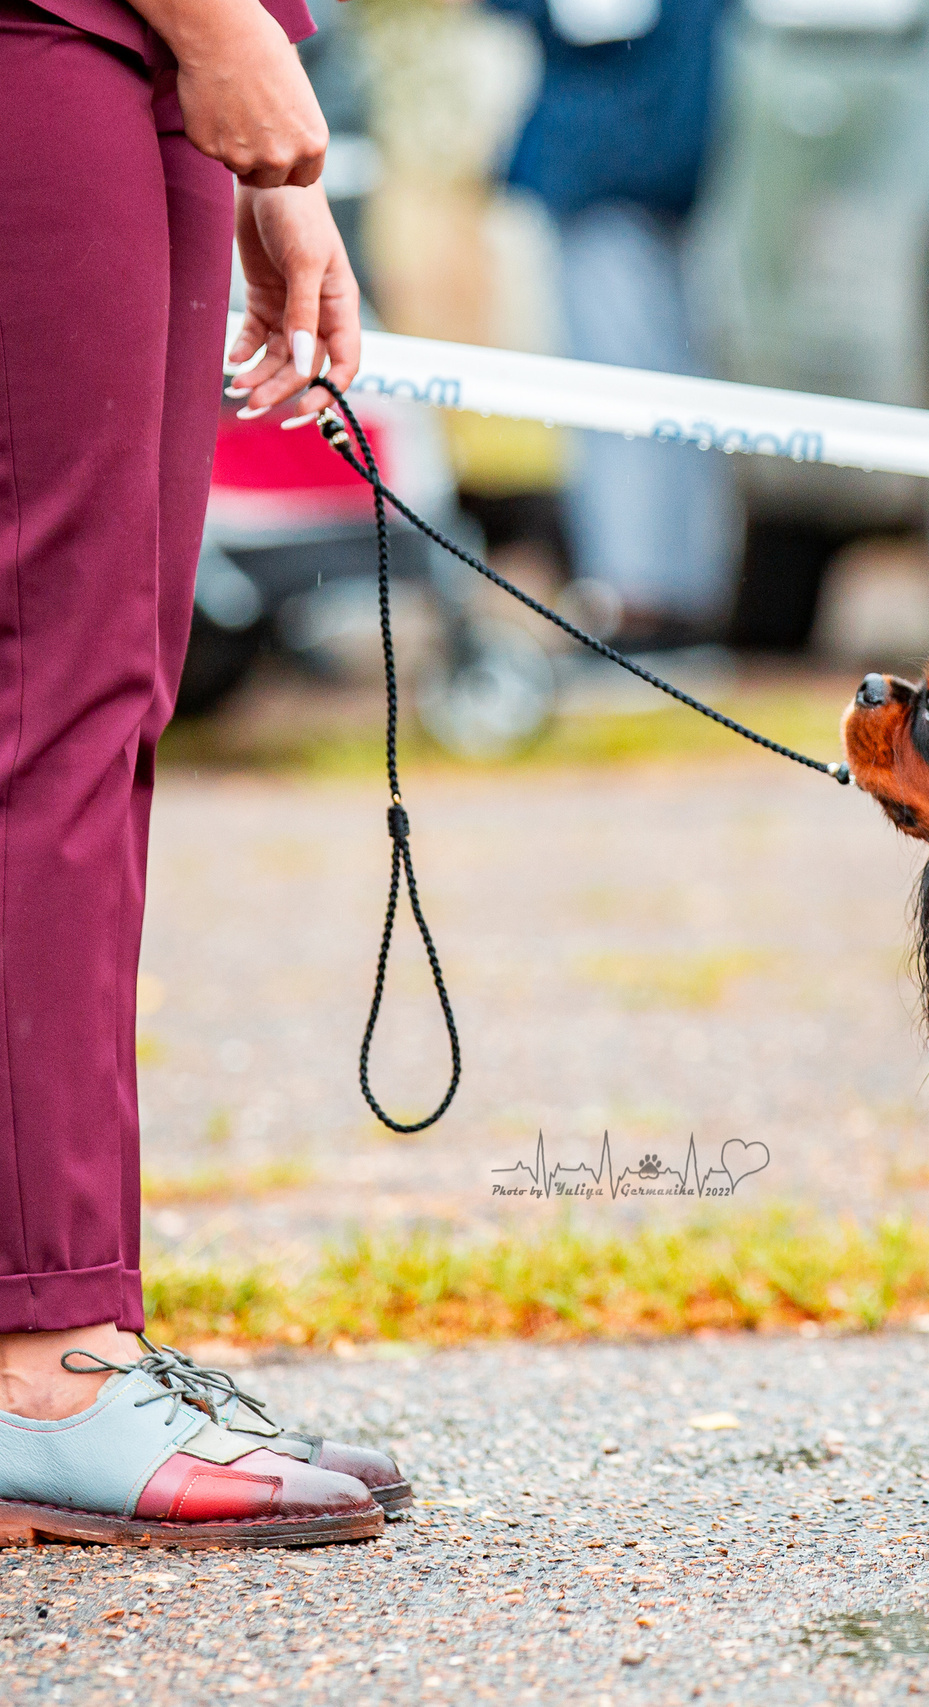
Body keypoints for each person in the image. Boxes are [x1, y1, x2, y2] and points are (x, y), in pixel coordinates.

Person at [0, 0, 409, 1544]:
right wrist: (216, 23)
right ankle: (48, 1362)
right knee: (51, 690)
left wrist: (253, 122)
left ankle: (68, 1324)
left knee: (97, 698)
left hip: (139, 51)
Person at [491, 0, 740, 651]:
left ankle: (639, 603)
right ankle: (670, 593)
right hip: (674, 160)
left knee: (617, 398)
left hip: (613, 162)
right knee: (671, 390)